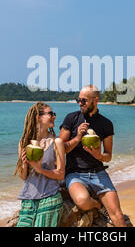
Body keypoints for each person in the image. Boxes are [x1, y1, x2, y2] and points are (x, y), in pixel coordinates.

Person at [59, 85, 126, 227]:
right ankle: (99, 206)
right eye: (78, 100)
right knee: (83, 201)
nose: (80, 103)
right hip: (75, 173)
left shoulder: (106, 123)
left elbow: (108, 156)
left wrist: (98, 155)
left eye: (84, 101)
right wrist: (77, 137)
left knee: (118, 216)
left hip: (98, 172)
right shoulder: (71, 118)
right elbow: (60, 149)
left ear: (96, 100)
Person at [14, 102, 66, 227]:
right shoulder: (24, 142)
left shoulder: (56, 142)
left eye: (54, 114)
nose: (54, 116)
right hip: (28, 200)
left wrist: (39, 169)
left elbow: (60, 174)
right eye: (51, 114)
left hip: (50, 197)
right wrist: (25, 164)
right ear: (38, 117)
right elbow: (23, 176)